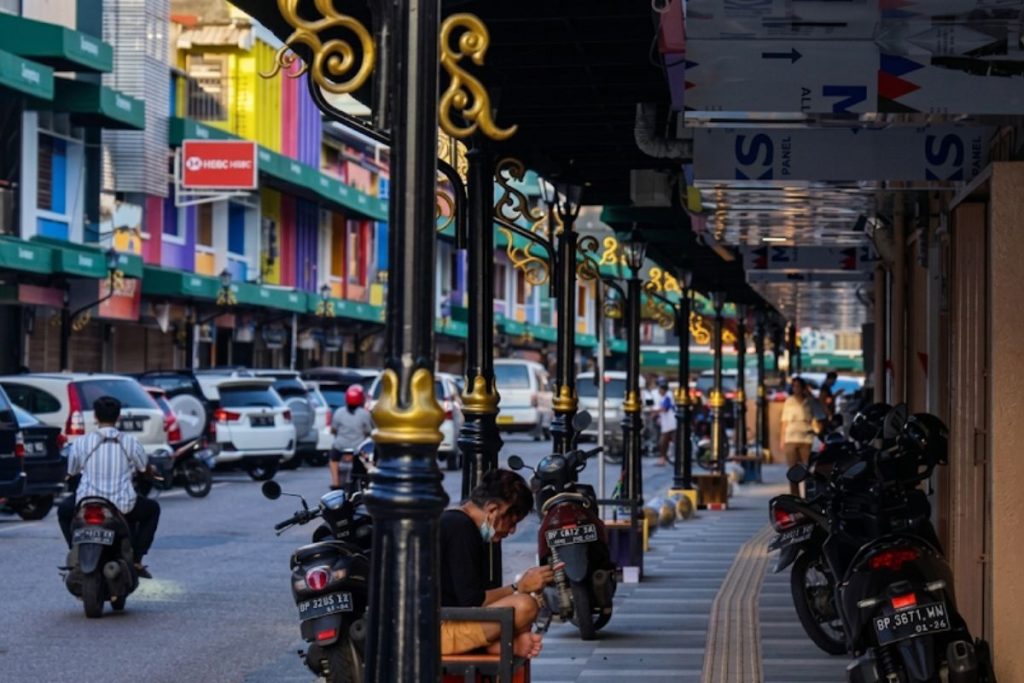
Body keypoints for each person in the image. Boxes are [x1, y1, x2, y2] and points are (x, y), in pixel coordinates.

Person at [440, 469, 553, 660]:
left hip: (449, 621)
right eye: (511, 521)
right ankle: (501, 645)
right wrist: (519, 587)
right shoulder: (460, 528)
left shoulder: (461, 524)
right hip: (439, 631)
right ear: (492, 510)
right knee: (525, 605)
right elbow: (473, 601)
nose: (512, 530)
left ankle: (503, 644)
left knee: (525, 602)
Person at [57, 396, 160, 578]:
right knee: (152, 510)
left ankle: (75, 549)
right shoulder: (130, 442)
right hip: (122, 505)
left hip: (86, 502)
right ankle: (136, 559)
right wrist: (151, 472)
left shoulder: (81, 443)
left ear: (96, 417)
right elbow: (144, 468)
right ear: (118, 417)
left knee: (63, 511)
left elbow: (72, 471)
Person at [329, 384, 374, 490]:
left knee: (333, 459)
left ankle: (335, 483)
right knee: (369, 463)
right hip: (358, 449)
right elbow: (369, 431)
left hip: (340, 446)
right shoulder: (364, 414)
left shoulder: (339, 412)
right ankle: (368, 483)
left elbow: (333, 429)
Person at [780, 377, 815, 496]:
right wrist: (782, 439)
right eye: (794, 386)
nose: (796, 389)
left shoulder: (809, 401)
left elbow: (818, 416)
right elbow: (784, 421)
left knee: (808, 470)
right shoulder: (789, 401)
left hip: (806, 438)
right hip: (791, 438)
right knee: (793, 471)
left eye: (798, 386)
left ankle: (808, 496)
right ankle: (795, 498)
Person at [655, 379, 677, 466]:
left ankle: (663, 458)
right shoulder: (665, 397)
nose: (659, 391)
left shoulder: (668, 396)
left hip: (670, 423)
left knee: (663, 441)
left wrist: (653, 412)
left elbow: (664, 408)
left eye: (659, 389)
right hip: (668, 423)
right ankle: (664, 458)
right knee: (670, 441)